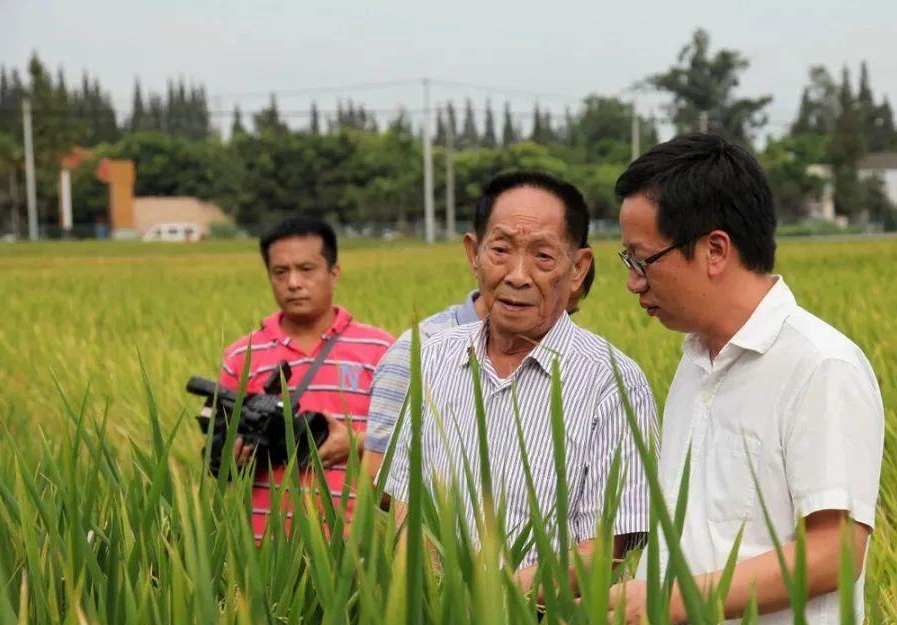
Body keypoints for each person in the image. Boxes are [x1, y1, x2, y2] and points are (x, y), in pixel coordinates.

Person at [607, 133, 884, 625]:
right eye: (626, 261)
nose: (634, 283)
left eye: (644, 261)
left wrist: (666, 601)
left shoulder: (820, 366)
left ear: (714, 250)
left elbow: (834, 553)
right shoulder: (695, 362)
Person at [380, 171, 655, 585]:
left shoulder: (613, 383)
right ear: (474, 253)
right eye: (501, 250)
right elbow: (402, 503)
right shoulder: (434, 358)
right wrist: (437, 600)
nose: (517, 275)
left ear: (578, 269)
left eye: (543, 256)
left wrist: (485, 602)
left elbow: (606, 548)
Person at [218, 216, 394, 541]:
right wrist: (233, 455)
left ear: (334, 273)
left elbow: (416, 446)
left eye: (307, 269)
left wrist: (356, 443)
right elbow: (221, 462)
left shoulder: (381, 350)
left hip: (354, 551)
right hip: (262, 551)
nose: (294, 283)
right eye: (280, 272)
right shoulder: (241, 357)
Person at [363, 254, 596, 483]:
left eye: (567, 314)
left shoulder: (579, 365)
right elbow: (379, 472)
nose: (556, 323)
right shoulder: (416, 351)